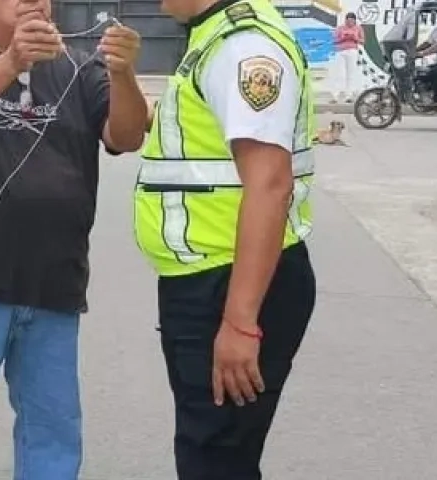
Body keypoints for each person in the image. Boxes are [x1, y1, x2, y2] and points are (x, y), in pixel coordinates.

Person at [0, 0, 148, 476]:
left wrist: (123, 74)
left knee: (53, 431)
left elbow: (126, 136)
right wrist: (12, 62)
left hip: (54, 284)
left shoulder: (81, 69)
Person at [134, 0, 317, 478]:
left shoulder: (243, 46)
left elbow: (269, 183)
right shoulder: (212, 35)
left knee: (215, 456)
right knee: (213, 449)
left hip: (230, 282)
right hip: (210, 275)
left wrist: (240, 323)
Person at [331, 12, 364, 103]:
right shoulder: (340, 28)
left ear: (354, 21)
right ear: (345, 20)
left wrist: (355, 38)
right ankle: (335, 95)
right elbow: (334, 40)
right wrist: (343, 38)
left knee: (351, 74)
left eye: (352, 21)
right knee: (339, 74)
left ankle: (349, 95)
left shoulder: (358, 28)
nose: (350, 23)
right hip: (341, 51)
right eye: (348, 21)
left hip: (352, 51)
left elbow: (362, 41)